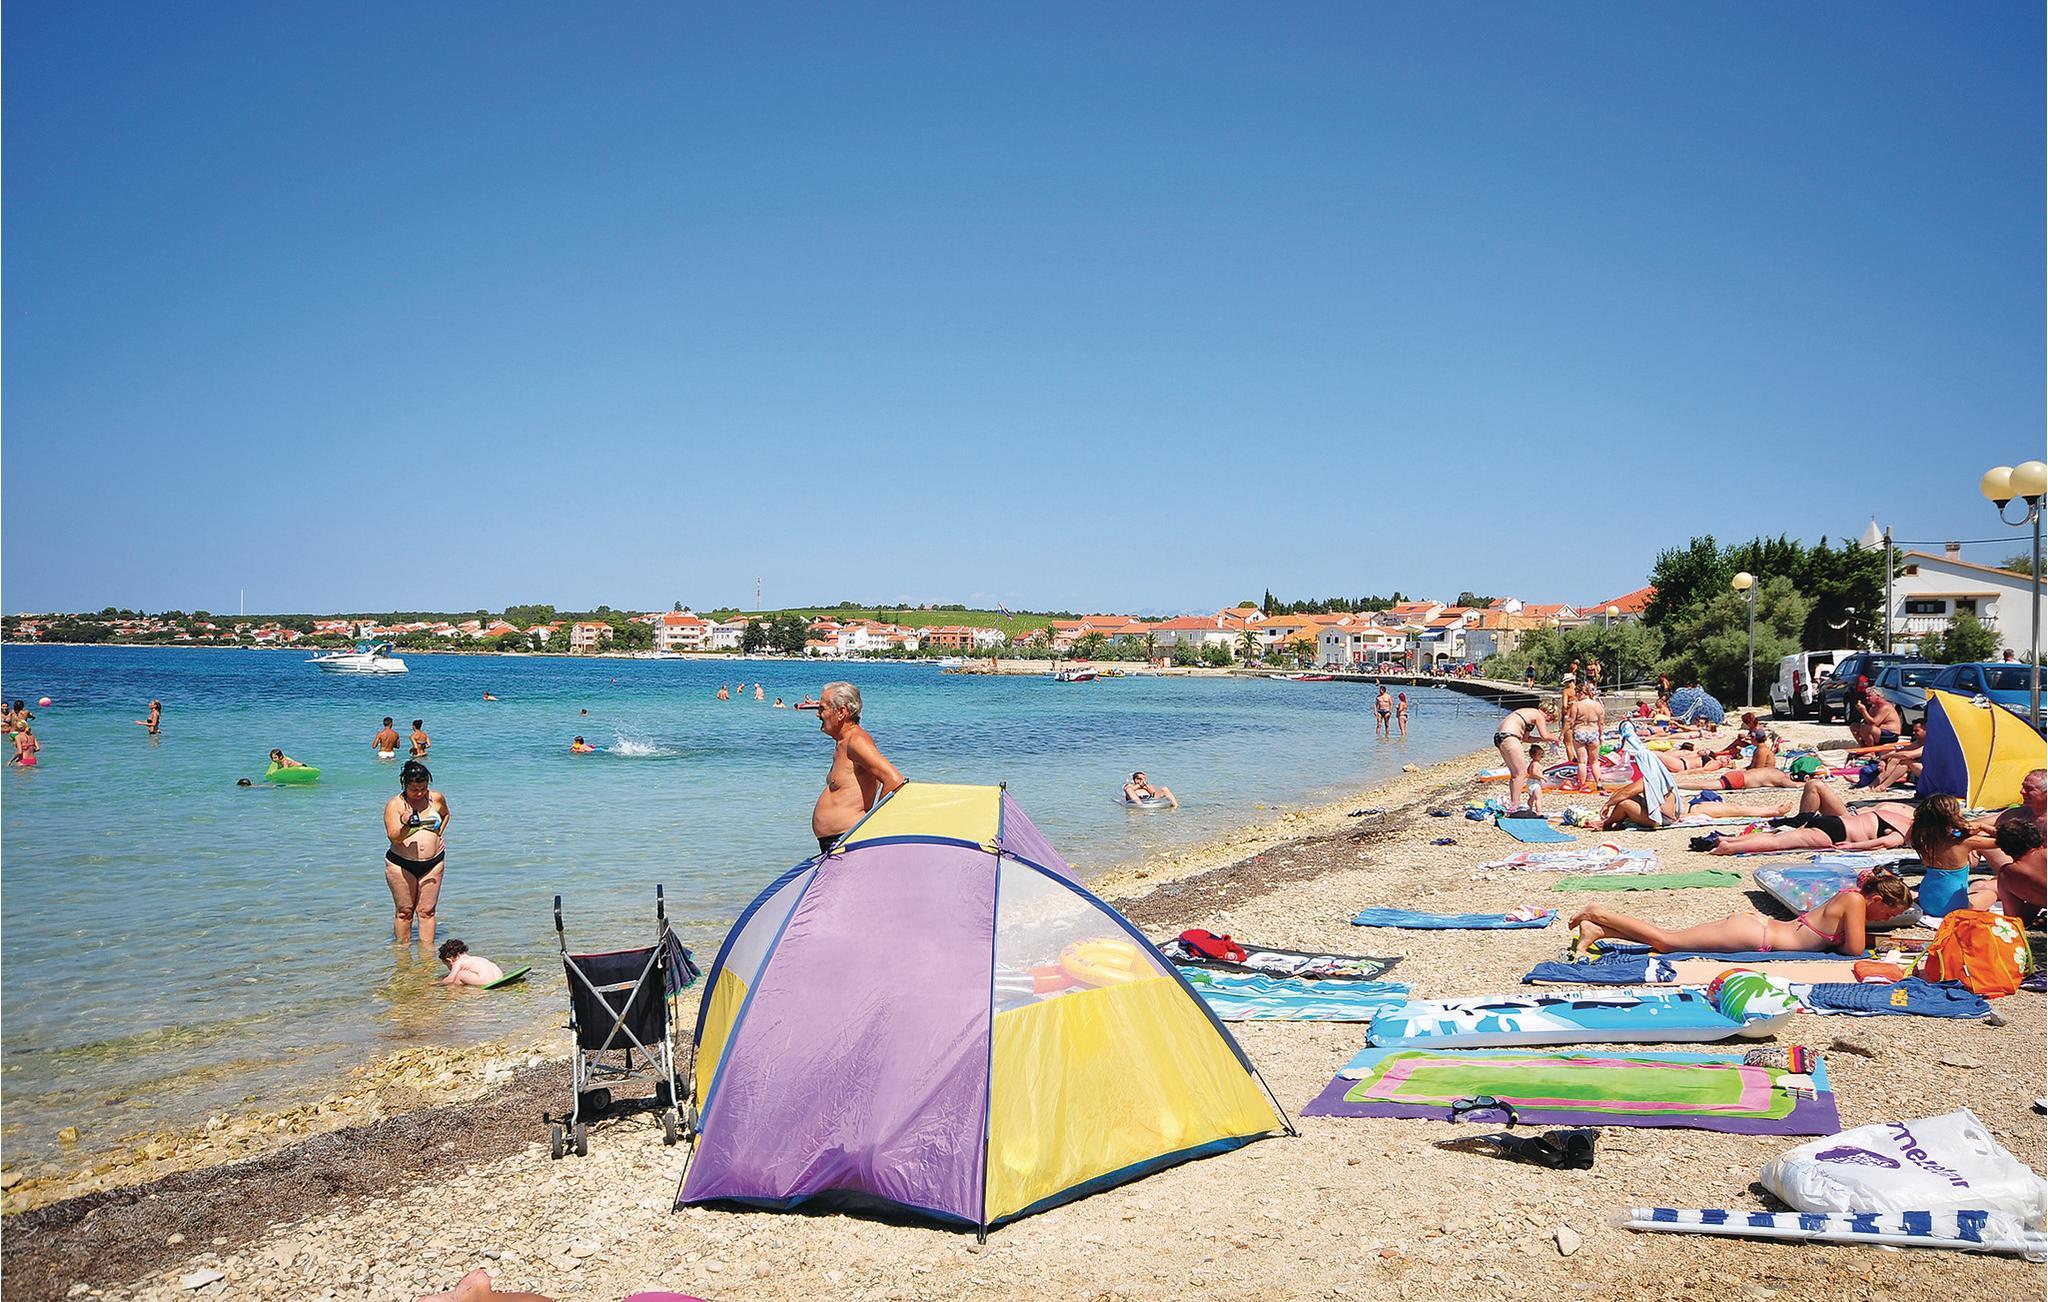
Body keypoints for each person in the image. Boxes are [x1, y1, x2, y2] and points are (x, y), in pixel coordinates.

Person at [1570, 868, 1911, 955]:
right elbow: (1854, 949)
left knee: (1669, 941)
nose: (1886, 920)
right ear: (1877, 899)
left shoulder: (1851, 899)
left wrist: (1888, 940)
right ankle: (1599, 913)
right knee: (1667, 942)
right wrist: (1880, 942)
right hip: (1755, 935)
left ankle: (1600, 930)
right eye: (1888, 913)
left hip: (1758, 930)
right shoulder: (1855, 902)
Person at [811, 682, 906, 855]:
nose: (818, 714)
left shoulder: (856, 741)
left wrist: (872, 827)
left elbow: (894, 780)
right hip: (838, 840)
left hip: (848, 841)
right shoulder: (843, 742)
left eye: (822, 708)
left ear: (841, 712)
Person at [1701, 782, 1916, 855]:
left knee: (1779, 836)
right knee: (1777, 843)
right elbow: (1882, 843)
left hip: (1834, 822)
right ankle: (1731, 847)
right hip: (1837, 833)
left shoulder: (1893, 813)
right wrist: (1851, 847)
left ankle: (1730, 840)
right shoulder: (1904, 832)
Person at [384, 760, 450, 948]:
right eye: (414, 789)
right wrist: (406, 824)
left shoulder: (436, 798)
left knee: (427, 911)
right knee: (404, 911)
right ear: (405, 785)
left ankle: (427, 957)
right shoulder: (395, 805)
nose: (419, 793)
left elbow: (446, 814)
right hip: (401, 863)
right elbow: (394, 838)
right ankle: (402, 955)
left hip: (434, 862)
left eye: (423, 788)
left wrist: (438, 834)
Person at [1970, 819, 2045, 923]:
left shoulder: (2007, 875)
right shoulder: (2044, 854)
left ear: (2003, 849)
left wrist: (2034, 899)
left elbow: (2015, 919)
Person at [1494, 702, 1560, 814]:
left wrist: (1542, 740)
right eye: (1550, 719)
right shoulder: (1539, 715)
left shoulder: (1529, 715)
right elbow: (1545, 735)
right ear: (1548, 713)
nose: (1548, 722)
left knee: (1515, 774)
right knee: (1521, 773)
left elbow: (1526, 738)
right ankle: (1515, 805)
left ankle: (1513, 803)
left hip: (1500, 737)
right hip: (1511, 737)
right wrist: (1555, 738)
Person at [1866, 721, 1928, 792]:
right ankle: (1875, 785)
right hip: (1921, 771)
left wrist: (1887, 756)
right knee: (1896, 760)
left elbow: (1907, 755)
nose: (1913, 733)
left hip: (1932, 774)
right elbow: (1897, 752)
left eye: (1917, 731)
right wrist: (1883, 760)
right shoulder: (1918, 743)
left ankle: (1882, 786)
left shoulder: (1929, 744)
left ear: (1925, 730)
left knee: (1905, 761)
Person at [1566, 686, 1606, 794]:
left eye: (1577, 693)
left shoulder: (1576, 705)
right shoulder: (1598, 705)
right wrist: (1601, 735)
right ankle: (1599, 784)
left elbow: (1571, 721)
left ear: (1581, 692)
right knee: (1595, 762)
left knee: (1582, 762)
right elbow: (1601, 722)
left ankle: (1582, 784)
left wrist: (1562, 733)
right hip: (1593, 731)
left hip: (1580, 731)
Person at [436, 939, 504, 987]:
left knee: (458, 975)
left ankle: (456, 992)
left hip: (486, 981)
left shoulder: (458, 962)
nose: (449, 968)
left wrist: (438, 984)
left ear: (449, 960)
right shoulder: (477, 959)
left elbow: (450, 979)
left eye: (447, 965)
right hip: (499, 978)